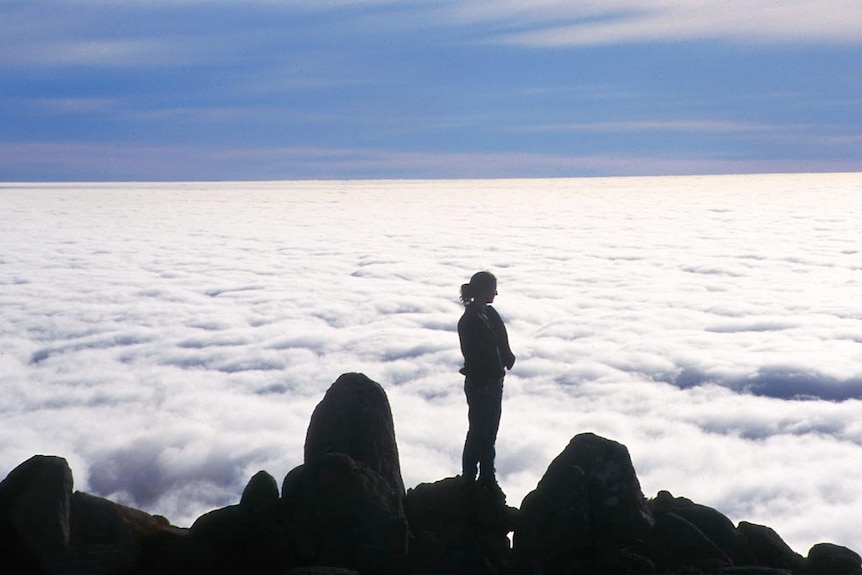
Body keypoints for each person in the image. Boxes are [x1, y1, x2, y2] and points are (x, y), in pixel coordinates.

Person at [458, 271, 515, 491]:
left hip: (492, 381)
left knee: (489, 429)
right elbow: (475, 354)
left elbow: (498, 342)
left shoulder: (486, 314)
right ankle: (471, 477)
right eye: (493, 288)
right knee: (479, 430)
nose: (496, 293)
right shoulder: (470, 320)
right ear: (483, 290)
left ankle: (486, 475)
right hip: (482, 383)